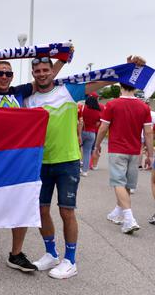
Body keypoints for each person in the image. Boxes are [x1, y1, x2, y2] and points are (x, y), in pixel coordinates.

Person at [24, 56, 139, 279]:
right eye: (37, 70)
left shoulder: (69, 90)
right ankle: (51, 254)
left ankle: (70, 260)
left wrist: (130, 67)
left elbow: (105, 81)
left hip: (67, 161)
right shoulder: (29, 99)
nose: (42, 73)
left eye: (45, 69)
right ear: (33, 73)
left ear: (52, 71)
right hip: (40, 162)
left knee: (66, 211)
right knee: (41, 211)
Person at [0, 59, 62, 273]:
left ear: (12, 76)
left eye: (8, 74)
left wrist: (63, 58)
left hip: (18, 159)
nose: (3, 77)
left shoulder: (21, 91)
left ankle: (16, 253)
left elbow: (46, 76)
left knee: (21, 203)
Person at [93, 83, 153, 234]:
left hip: (117, 148)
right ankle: (118, 212)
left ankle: (129, 218)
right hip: (135, 150)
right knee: (126, 184)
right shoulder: (144, 107)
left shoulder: (112, 104)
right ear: (136, 88)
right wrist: (150, 155)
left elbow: (103, 128)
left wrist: (97, 145)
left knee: (118, 182)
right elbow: (148, 133)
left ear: (121, 87)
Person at [79, 93, 103, 176]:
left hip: (82, 131)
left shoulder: (83, 108)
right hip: (92, 133)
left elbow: (79, 120)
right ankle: (85, 171)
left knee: (78, 150)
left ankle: (78, 167)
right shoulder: (98, 111)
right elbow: (98, 124)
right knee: (87, 152)